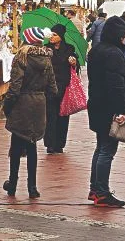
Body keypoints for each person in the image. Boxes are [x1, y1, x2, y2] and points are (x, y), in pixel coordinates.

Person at [3, 27, 57, 198]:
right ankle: (32, 187)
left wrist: (7, 106)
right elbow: (53, 89)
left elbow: (15, 87)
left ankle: (12, 184)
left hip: (22, 104)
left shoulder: (21, 58)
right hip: (38, 106)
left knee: (16, 145)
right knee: (32, 145)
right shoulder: (47, 60)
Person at [87, 16, 125, 207]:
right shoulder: (114, 54)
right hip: (108, 108)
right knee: (107, 149)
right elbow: (116, 85)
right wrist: (121, 110)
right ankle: (102, 192)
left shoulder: (97, 50)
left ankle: (95, 188)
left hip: (96, 105)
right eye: (124, 35)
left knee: (100, 148)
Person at [44, 24, 79, 154]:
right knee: (50, 115)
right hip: (49, 86)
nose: (52, 37)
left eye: (55, 35)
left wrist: (74, 62)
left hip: (65, 86)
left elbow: (76, 66)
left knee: (63, 115)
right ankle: (50, 144)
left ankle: (60, 144)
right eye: (51, 34)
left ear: (61, 36)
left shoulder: (69, 48)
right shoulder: (46, 49)